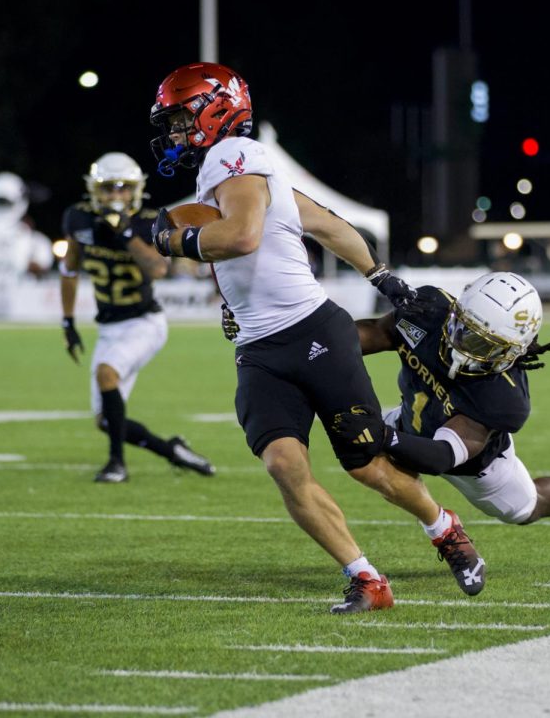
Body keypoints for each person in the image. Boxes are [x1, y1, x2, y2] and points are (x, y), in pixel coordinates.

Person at [148, 62, 482, 614]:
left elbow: (243, 236)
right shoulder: (237, 173)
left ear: (217, 109)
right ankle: (367, 579)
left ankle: (446, 530)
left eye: (183, 117)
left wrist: (175, 240)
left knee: (368, 464)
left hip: (310, 332)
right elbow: (323, 223)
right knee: (284, 464)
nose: (177, 132)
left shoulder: (236, 155)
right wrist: (380, 275)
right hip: (260, 349)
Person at [331, 272, 550, 552]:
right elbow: (378, 332)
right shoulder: (430, 310)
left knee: (526, 509)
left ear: (515, 351)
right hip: (410, 420)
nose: (464, 344)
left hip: (471, 464)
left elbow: (443, 456)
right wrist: (324, 348)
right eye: (464, 326)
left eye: (483, 343)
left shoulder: (504, 396)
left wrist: (384, 436)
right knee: (352, 443)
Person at [59, 152, 216, 483]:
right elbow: (70, 269)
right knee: (105, 419)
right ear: (93, 190)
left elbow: (159, 269)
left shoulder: (147, 223)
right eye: (108, 188)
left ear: (137, 189)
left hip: (144, 324)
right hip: (108, 328)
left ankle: (117, 465)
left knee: (106, 374)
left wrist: (126, 234)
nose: (116, 195)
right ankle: (171, 450)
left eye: (123, 188)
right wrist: (68, 321)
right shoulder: (78, 218)